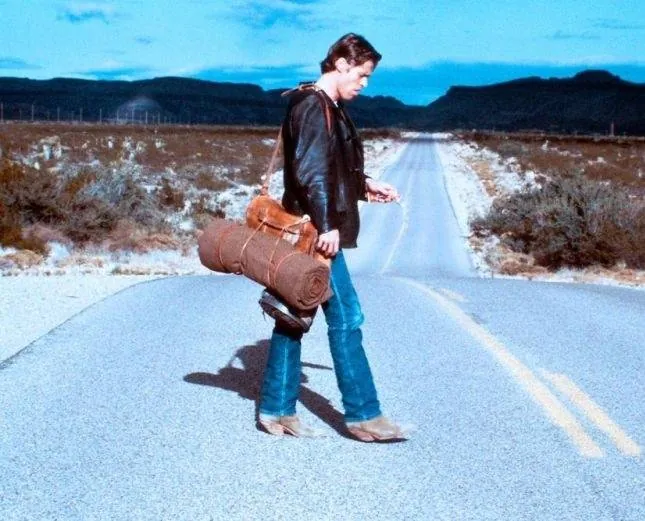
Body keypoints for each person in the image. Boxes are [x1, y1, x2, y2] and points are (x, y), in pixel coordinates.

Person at [258, 33, 408, 442]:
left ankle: (276, 409)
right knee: (346, 317)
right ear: (341, 63)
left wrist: (366, 185)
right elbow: (310, 173)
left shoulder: (328, 106)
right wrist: (326, 225)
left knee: (294, 315)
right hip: (313, 232)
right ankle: (364, 415)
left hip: (312, 227)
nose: (365, 83)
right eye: (362, 74)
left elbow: (331, 166)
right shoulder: (312, 105)